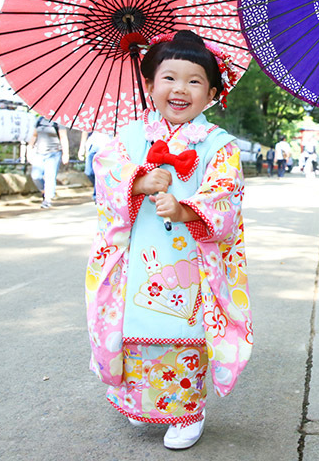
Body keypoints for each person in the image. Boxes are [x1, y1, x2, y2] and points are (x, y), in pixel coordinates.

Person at [84, 30, 252, 450]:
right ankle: (141, 402)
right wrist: (137, 180)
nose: (180, 89)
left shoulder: (218, 145)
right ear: (148, 84)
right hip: (137, 256)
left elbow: (225, 195)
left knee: (184, 327)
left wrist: (184, 209)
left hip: (189, 259)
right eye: (169, 78)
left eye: (194, 81)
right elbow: (106, 173)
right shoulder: (128, 138)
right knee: (131, 325)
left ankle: (187, 411)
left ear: (212, 93)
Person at [28, 116, 70, 209]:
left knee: (49, 176)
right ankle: (44, 191)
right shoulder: (39, 120)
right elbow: (34, 136)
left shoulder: (58, 121)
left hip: (54, 152)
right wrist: (29, 149)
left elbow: (63, 137)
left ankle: (47, 199)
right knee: (35, 176)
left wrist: (65, 154)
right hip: (39, 152)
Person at [78, 129, 111, 199]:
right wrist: (82, 147)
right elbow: (85, 130)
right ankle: (100, 189)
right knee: (89, 172)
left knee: (101, 173)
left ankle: (97, 196)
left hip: (106, 145)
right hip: (92, 145)